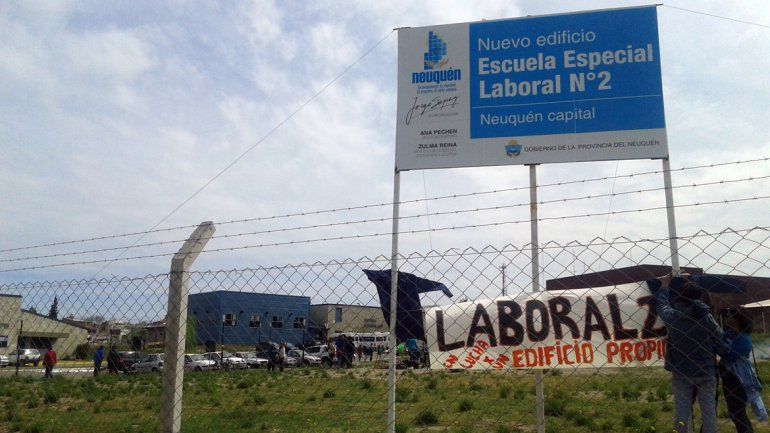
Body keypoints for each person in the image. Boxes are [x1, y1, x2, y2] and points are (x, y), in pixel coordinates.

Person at [655, 274, 723, 433]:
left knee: (682, 412)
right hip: (706, 369)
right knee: (709, 413)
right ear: (697, 297)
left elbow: (661, 306)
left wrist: (664, 285)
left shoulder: (673, 316)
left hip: (681, 370)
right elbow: (719, 336)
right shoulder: (705, 317)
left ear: (679, 297)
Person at [720, 307, 767, 433]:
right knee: (735, 412)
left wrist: (719, 346)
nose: (726, 317)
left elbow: (730, 355)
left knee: (737, 412)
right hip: (728, 378)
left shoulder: (743, 339)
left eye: (729, 315)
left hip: (738, 380)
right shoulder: (730, 334)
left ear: (737, 320)